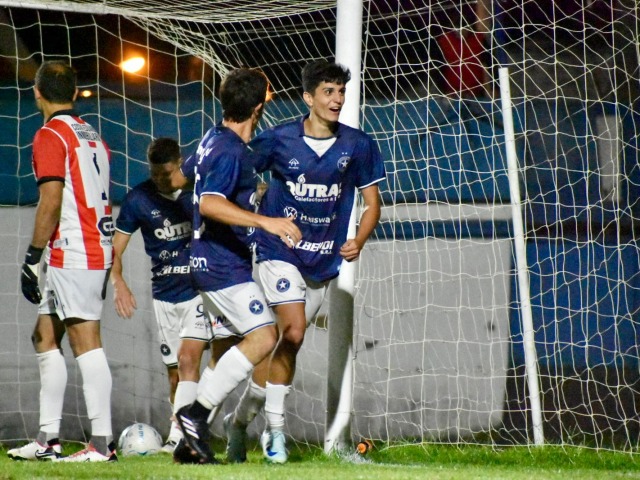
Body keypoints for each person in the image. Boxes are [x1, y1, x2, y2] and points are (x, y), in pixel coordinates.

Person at [224, 59, 386, 464]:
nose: (337, 99)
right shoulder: (278, 140)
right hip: (278, 250)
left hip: (322, 258)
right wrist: (257, 208)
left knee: (287, 344)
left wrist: (359, 240)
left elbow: (372, 204)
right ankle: (276, 434)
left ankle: (239, 421)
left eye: (341, 92)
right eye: (328, 92)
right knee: (293, 330)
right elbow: (237, 175)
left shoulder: (357, 145)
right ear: (308, 98)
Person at [171, 67, 302, 465]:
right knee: (264, 338)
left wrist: (247, 195)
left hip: (209, 259)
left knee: (231, 348)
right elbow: (209, 201)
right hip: (220, 263)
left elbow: (181, 177)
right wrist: (266, 220)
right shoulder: (229, 150)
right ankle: (194, 417)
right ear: (260, 105)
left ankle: (188, 444)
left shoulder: (214, 139)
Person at [9, 60, 116, 462]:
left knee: (85, 341)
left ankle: (102, 444)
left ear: (37, 93)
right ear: (73, 92)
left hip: (74, 249)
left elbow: (51, 201)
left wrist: (31, 256)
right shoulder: (93, 135)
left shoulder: (50, 134)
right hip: (85, 246)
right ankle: (47, 440)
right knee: (44, 336)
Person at [111, 137, 216, 454]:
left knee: (188, 361)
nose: (162, 180)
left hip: (198, 290)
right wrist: (119, 281)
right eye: (156, 174)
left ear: (180, 163)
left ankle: (181, 435)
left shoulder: (199, 190)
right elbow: (114, 250)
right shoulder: (137, 200)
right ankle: (186, 428)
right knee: (174, 373)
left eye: (168, 173)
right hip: (164, 297)